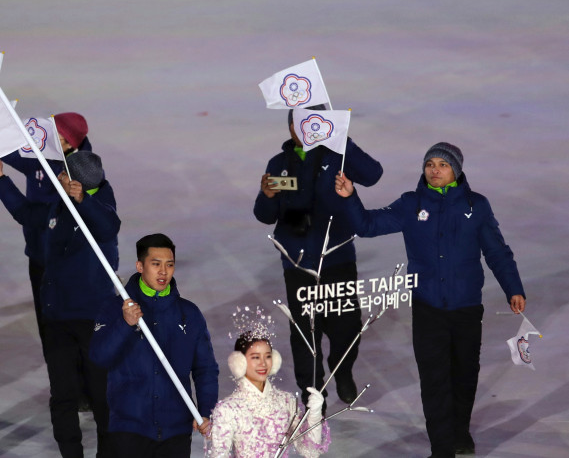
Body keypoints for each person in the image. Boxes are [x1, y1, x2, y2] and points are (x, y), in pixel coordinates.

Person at [334, 142, 526, 458]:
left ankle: (460, 431)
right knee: (435, 380)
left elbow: (497, 252)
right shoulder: (411, 204)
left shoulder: (476, 206)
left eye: (442, 165)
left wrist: (513, 288)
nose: (434, 170)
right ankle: (441, 448)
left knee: (464, 376)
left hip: (466, 308)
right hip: (428, 309)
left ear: (456, 171)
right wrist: (350, 197)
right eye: (429, 164)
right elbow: (367, 226)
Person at [0, 150, 119, 458]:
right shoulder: (56, 207)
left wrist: (84, 201)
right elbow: (25, 213)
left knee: (102, 396)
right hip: (57, 317)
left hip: (94, 321)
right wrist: (0, 179)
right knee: (62, 395)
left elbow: (109, 225)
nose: (57, 178)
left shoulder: (101, 209)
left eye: (62, 175)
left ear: (73, 181)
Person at [253, 107, 383, 407]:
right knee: (304, 331)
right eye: (299, 124)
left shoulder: (336, 155)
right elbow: (264, 215)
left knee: (347, 326)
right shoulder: (279, 163)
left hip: (337, 257)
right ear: (290, 128)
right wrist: (268, 196)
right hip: (298, 262)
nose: (306, 130)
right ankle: (313, 392)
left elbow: (373, 175)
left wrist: (341, 139)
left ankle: (343, 372)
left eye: (314, 124)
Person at [89, 233, 220, 458]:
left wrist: (206, 410)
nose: (163, 271)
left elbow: (205, 368)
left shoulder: (189, 314)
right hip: (129, 429)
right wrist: (125, 324)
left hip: (176, 431)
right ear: (140, 266)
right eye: (155, 264)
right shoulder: (115, 308)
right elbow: (99, 357)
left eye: (169, 265)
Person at [0, 111, 92, 347]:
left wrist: (1, 182)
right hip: (39, 255)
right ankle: (57, 373)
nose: (52, 139)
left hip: (69, 259)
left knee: (75, 325)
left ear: (72, 143)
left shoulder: (84, 172)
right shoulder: (38, 155)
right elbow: (4, 148)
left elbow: (37, 216)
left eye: (60, 138)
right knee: (47, 326)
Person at [207, 329, 329, 458]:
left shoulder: (286, 401)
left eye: (268, 356)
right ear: (239, 361)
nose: (263, 363)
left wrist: (314, 415)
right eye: (255, 357)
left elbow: (310, 452)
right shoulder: (227, 409)